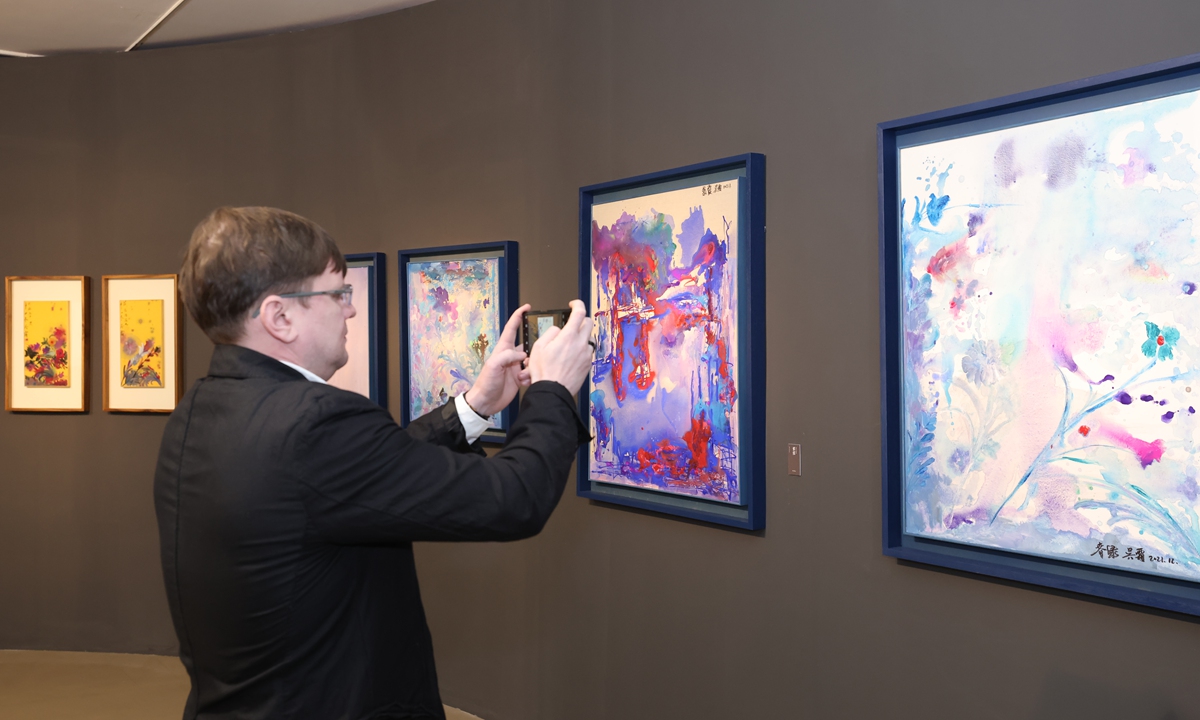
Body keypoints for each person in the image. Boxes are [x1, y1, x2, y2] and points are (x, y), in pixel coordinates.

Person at [154, 206, 593, 720]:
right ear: (279, 317)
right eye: (338, 293)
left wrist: (474, 407)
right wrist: (552, 390)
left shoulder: (200, 411)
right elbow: (516, 497)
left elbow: (365, 474)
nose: (351, 310)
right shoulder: (314, 425)